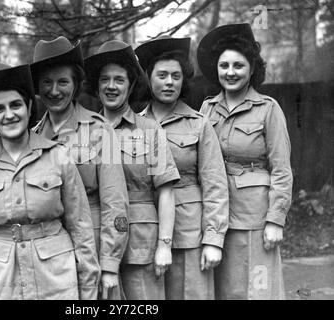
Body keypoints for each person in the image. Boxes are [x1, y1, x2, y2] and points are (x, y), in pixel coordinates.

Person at [0, 62, 100, 300]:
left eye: (16, 105)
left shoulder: (58, 157)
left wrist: (87, 291)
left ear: (29, 106)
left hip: (56, 279)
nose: (9, 115)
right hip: (2, 282)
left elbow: (81, 228)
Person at [197, 23, 293, 299]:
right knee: (224, 292)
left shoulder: (268, 109)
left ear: (252, 69)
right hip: (216, 217)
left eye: (238, 65)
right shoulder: (207, 108)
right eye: (224, 65)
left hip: (255, 219)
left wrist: (276, 220)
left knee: (258, 291)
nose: (230, 72)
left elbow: (282, 170)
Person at [30, 36, 129, 300]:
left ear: (75, 86)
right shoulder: (32, 137)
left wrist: (109, 265)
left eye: (63, 82)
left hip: (94, 246)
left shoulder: (99, 130)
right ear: (38, 88)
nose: (54, 91)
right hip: (49, 251)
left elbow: (115, 202)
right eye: (47, 83)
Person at [84, 40, 180, 300]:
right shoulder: (84, 132)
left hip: (141, 246)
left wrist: (164, 245)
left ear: (131, 85)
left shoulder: (149, 130)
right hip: (97, 246)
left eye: (119, 80)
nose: (111, 86)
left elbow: (166, 193)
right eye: (105, 80)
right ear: (96, 86)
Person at [134, 35, 229, 300]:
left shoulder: (198, 124)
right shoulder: (134, 126)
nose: (169, 82)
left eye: (176, 76)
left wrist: (213, 240)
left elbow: (215, 184)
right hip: (147, 233)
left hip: (190, 236)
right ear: (148, 78)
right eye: (162, 75)